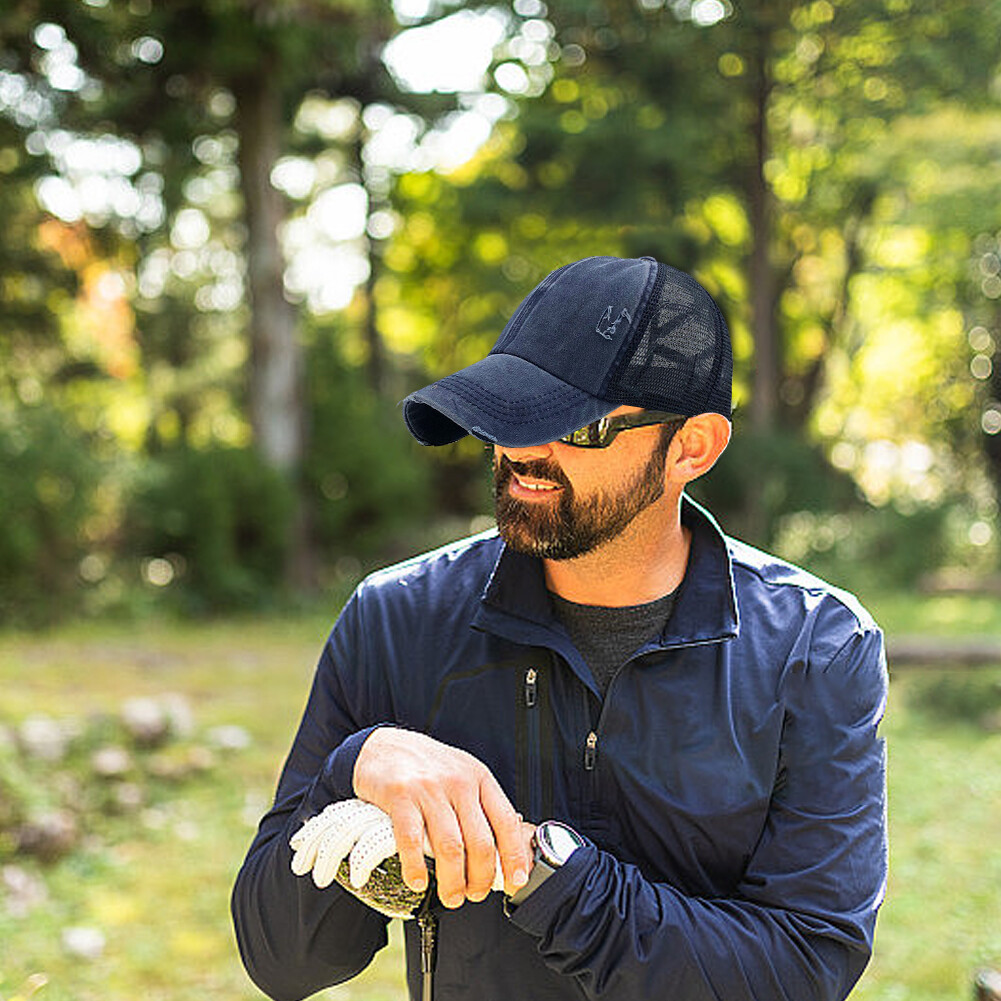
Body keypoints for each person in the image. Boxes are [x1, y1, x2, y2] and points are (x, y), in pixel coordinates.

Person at [232, 255, 888, 1001]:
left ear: (691, 447)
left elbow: (803, 967)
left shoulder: (817, 647)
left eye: (575, 424)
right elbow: (281, 962)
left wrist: (549, 874)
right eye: (505, 412)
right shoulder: (397, 617)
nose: (520, 453)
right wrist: (350, 772)